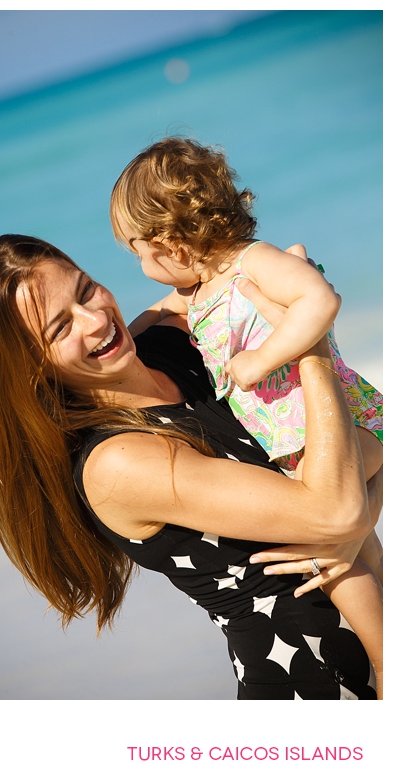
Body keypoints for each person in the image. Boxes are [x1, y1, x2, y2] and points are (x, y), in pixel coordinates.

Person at [0, 234, 380, 699]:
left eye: (85, 289)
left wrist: (300, 296)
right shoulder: (118, 461)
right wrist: (308, 346)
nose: (95, 320)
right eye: (60, 328)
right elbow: (337, 509)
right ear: (29, 367)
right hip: (313, 690)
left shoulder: (178, 342)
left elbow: (227, 271)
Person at [110, 137, 382, 693]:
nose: (139, 264)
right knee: (346, 541)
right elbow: (160, 314)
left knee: (329, 547)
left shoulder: (253, 262)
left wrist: (264, 357)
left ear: (171, 245)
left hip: (320, 422)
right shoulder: (204, 285)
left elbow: (319, 300)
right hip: (298, 429)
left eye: (138, 250)